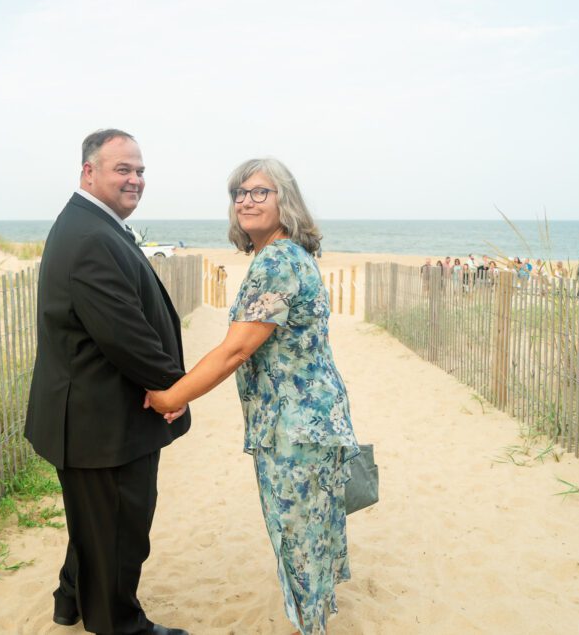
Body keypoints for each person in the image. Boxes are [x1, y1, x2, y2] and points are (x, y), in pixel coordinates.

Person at [146, 158, 360, 635]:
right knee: (311, 531)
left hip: (297, 426)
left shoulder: (278, 260)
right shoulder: (286, 256)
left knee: (298, 538)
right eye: (239, 193)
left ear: (286, 200)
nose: (245, 200)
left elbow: (236, 349)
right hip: (311, 419)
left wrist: (171, 397)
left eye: (260, 191)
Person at [24, 129, 191, 635]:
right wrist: (171, 389)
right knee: (119, 530)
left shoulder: (91, 223)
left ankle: (70, 598)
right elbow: (123, 333)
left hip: (90, 414)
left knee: (92, 522)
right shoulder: (92, 234)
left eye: (140, 170)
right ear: (88, 172)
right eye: (123, 169)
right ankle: (121, 624)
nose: (135, 179)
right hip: (104, 422)